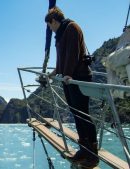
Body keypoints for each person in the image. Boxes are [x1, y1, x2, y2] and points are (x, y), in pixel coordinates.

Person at [45, 7, 99, 167]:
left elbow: (73, 53)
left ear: (53, 20)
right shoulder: (60, 34)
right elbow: (62, 58)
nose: (50, 28)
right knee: (76, 113)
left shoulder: (72, 28)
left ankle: (92, 154)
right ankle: (84, 149)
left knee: (83, 114)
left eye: (49, 25)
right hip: (68, 79)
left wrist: (67, 74)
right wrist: (54, 73)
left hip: (78, 77)